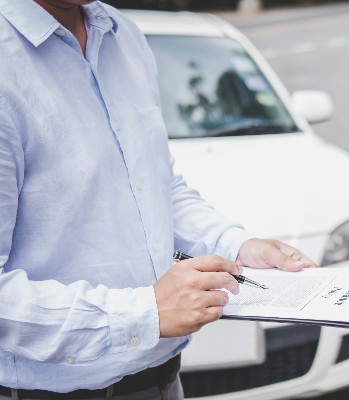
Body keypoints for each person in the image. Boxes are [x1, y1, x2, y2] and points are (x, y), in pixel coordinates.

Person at [0, 0, 316, 399]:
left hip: (162, 378)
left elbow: (154, 186)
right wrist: (143, 314)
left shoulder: (123, 36)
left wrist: (234, 245)